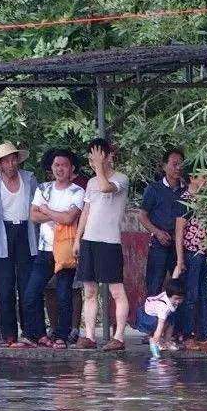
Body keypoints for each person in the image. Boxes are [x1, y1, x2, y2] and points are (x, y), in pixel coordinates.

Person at [72, 138, 131, 351]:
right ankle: (89, 336)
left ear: (107, 157)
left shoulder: (121, 179)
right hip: (89, 241)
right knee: (89, 290)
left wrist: (100, 167)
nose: (92, 162)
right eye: (90, 159)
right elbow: (86, 212)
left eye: (96, 158)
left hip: (110, 242)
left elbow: (106, 187)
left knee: (116, 290)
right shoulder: (90, 183)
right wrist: (78, 239)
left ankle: (119, 337)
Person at [24, 148, 86, 348]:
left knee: (63, 295)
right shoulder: (43, 188)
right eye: (56, 165)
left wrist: (46, 210)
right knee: (31, 293)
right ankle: (38, 335)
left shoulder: (78, 191)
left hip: (66, 250)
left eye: (64, 165)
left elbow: (70, 218)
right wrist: (57, 215)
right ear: (51, 168)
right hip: (45, 249)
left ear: (72, 168)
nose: (60, 169)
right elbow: (33, 216)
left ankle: (61, 336)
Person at [0, 141, 39, 348]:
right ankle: (9, 334)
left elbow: (37, 206)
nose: (10, 164)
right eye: (5, 161)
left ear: (18, 160)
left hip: (26, 233)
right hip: (2, 234)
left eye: (13, 159)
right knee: (5, 286)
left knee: (28, 285)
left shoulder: (30, 179)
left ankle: (31, 331)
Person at [138, 147, 187, 339]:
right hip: (159, 244)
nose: (177, 167)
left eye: (180, 164)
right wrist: (157, 232)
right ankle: (150, 330)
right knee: (155, 287)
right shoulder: (154, 189)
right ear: (164, 166)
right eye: (174, 163)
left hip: (179, 246)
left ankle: (174, 332)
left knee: (178, 288)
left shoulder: (186, 191)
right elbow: (142, 216)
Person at [171, 173, 207, 349]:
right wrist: (180, 259)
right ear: (192, 178)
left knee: (206, 295)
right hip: (192, 253)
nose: (206, 181)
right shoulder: (186, 200)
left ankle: (206, 335)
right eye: (203, 177)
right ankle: (187, 336)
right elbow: (179, 231)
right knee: (191, 295)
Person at [144, 276, 186, 358]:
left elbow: (175, 277)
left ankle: (167, 341)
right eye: (176, 299)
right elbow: (160, 325)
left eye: (180, 299)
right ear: (169, 296)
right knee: (166, 322)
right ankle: (156, 341)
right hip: (148, 318)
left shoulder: (170, 297)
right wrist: (156, 339)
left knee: (171, 320)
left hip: (158, 316)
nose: (178, 301)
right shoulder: (163, 307)